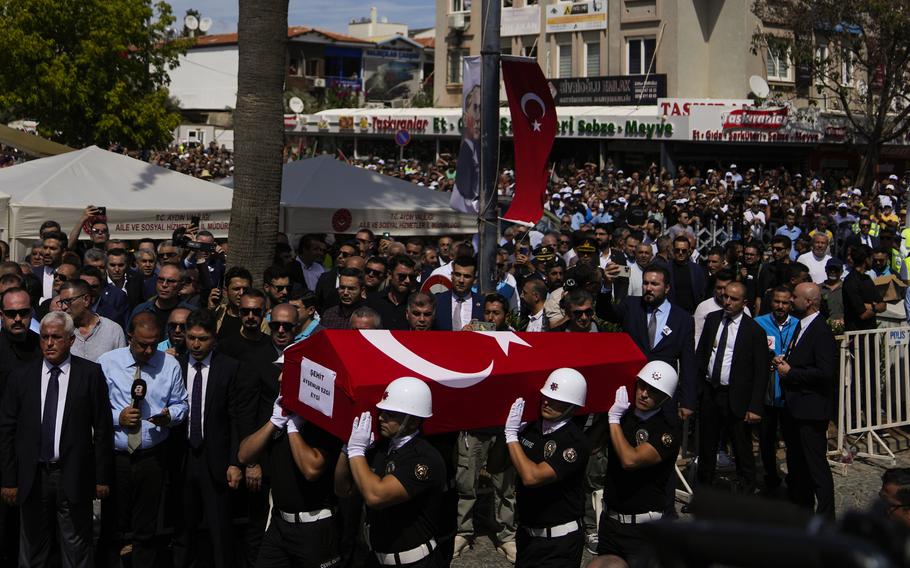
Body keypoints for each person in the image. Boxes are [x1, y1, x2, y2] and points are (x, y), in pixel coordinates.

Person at [0, 311, 113, 568]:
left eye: (56, 337)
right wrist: (8, 479)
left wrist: (101, 477)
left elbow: (103, 429)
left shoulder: (90, 374)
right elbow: (7, 430)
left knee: (77, 548)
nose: (49, 343)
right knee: (31, 549)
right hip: (33, 476)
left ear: (71, 340)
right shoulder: (21, 377)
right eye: (44, 337)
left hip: (73, 475)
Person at [98, 313, 189, 568]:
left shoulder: (169, 365)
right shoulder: (107, 363)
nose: (149, 350)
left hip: (152, 456)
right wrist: (118, 417)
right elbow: (92, 409)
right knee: (112, 525)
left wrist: (170, 416)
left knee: (146, 528)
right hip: (117, 457)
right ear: (129, 338)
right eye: (142, 344)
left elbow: (182, 403)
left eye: (153, 344)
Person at [334, 377, 447, 567]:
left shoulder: (424, 459)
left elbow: (375, 496)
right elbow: (343, 489)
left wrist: (356, 452)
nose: (381, 417)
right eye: (383, 411)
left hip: (414, 562)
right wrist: (347, 450)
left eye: (391, 414)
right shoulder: (380, 448)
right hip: (376, 558)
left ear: (413, 421)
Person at [587, 361, 680, 568]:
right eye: (642, 385)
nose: (644, 394)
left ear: (665, 398)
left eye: (653, 391)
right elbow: (591, 448)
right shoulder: (622, 415)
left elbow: (630, 460)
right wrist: (606, 414)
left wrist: (613, 420)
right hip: (611, 523)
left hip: (643, 528)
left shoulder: (667, 430)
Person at [173, 309, 242, 568]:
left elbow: (236, 417)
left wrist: (235, 461)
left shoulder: (229, 367)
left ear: (214, 338)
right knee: (183, 530)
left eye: (202, 339)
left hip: (216, 460)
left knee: (220, 531)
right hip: (182, 457)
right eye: (191, 338)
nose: (196, 344)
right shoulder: (174, 365)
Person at [236, 303, 302, 567]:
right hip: (262, 458)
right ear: (268, 325)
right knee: (257, 524)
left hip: (294, 455)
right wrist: (251, 462)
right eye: (276, 325)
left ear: (298, 328)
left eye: (288, 326)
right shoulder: (254, 359)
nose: (281, 331)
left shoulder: (304, 356)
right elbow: (245, 413)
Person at [504, 369, 591, 567]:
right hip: (527, 536)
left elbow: (532, 477)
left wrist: (511, 436)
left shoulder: (575, 442)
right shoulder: (531, 429)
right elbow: (495, 466)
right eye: (546, 396)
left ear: (572, 406)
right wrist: (507, 434)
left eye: (556, 400)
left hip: (559, 543)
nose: (547, 402)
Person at [695, 282, 769, 495]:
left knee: (741, 447)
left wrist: (755, 406)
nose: (727, 301)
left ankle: (746, 494)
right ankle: (703, 494)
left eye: (733, 299)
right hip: (711, 392)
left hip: (736, 397)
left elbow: (760, 371)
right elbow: (701, 355)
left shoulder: (754, 331)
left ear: (744, 303)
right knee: (707, 447)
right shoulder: (712, 320)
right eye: (725, 296)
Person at [600, 264, 697, 422]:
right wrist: (606, 285)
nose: (648, 288)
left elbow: (688, 363)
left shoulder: (683, 319)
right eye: (645, 283)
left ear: (667, 288)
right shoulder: (631, 306)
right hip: (633, 391)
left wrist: (687, 401)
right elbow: (605, 312)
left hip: (663, 396)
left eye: (654, 284)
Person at [772, 282, 837, 521]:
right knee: (798, 465)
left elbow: (825, 372)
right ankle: (802, 510)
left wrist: (792, 373)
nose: (790, 301)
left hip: (811, 410)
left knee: (816, 467)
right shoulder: (802, 326)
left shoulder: (820, 331)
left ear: (808, 302)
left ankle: (826, 518)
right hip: (795, 408)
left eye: (795, 298)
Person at [754, 286, 799, 494]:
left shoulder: (798, 325)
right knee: (766, 438)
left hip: (790, 393)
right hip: (767, 392)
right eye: (777, 302)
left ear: (791, 303)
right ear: (771, 302)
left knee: (792, 438)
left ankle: (794, 478)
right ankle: (770, 476)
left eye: (785, 302)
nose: (780, 306)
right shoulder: (759, 323)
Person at [57, 279, 126, 362]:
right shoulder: (61, 331)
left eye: (68, 301)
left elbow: (121, 367)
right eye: (61, 302)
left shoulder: (113, 330)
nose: (63, 307)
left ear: (86, 300)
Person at [130, 263, 196, 341]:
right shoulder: (141, 310)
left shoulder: (191, 313)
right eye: (161, 280)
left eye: (171, 281)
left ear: (181, 286)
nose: (164, 285)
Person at [218, 289, 271, 359]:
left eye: (256, 311)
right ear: (239, 312)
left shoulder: (273, 345)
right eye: (245, 311)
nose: (250, 316)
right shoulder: (225, 347)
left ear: (264, 313)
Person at [367, 255, 417, 331]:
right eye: (402, 276)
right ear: (390, 274)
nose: (407, 281)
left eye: (411, 277)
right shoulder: (373, 301)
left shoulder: (415, 303)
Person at [433, 256, 483, 331]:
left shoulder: (482, 303)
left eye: (467, 276)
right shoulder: (437, 301)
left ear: (474, 280)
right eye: (458, 275)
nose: (461, 280)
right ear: (452, 276)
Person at [843, 245, 884, 332]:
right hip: (855, 335)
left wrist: (870, 306)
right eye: (871, 258)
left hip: (871, 332)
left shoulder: (867, 278)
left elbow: (883, 305)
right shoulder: (850, 281)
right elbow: (863, 314)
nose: (873, 261)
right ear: (866, 259)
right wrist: (875, 307)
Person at [210, 266, 255, 340]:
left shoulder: (259, 319)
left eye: (245, 289)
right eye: (236, 289)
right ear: (225, 291)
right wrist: (210, 310)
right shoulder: (217, 313)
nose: (241, 293)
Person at [667, 236, 706, 313]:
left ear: (689, 251)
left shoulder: (697, 269)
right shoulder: (666, 269)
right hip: (672, 312)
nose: (680, 253)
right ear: (673, 250)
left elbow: (702, 292)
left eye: (684, 251)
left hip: (692, 312)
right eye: (677, 250)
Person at [34, 231, 67, 302]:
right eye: (45, 248)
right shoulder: (34, 273)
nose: (47, 252)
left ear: (63, 252)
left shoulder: (71, 274)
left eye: (52, 249)